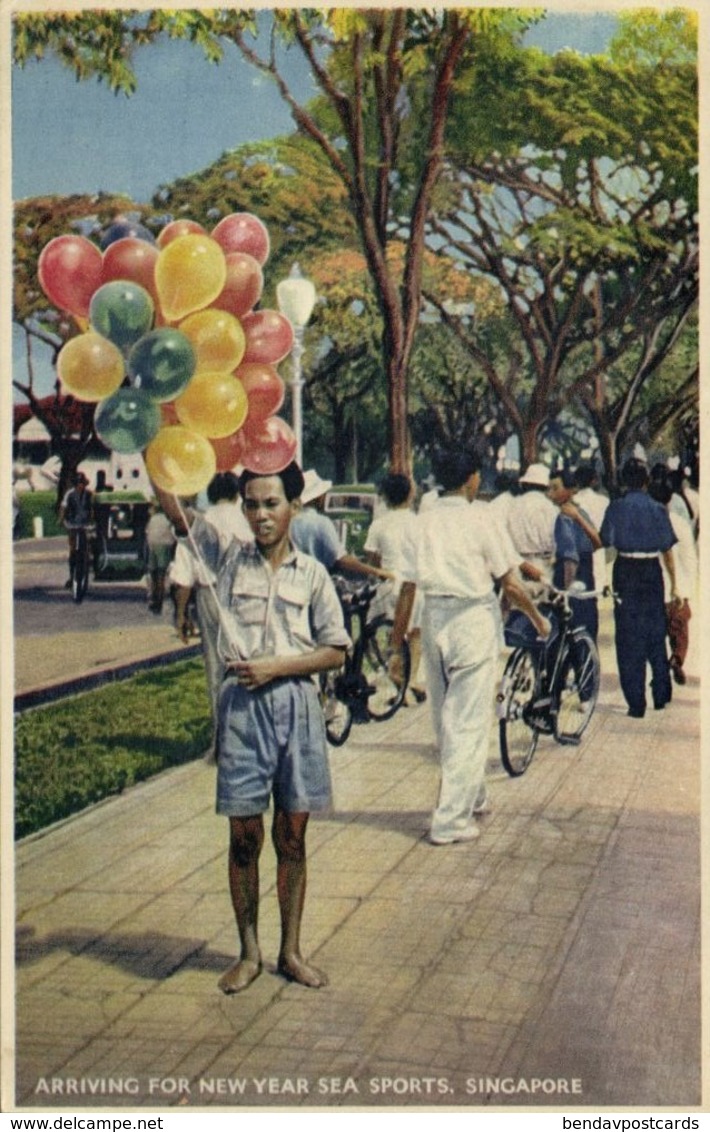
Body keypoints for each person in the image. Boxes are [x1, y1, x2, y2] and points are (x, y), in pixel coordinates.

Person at [156, 462, 350, 994]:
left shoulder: (312, 574)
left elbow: (335, 649)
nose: (261, 515)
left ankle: (290, 951)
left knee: (292, 835)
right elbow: (177, 513)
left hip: (296, 708)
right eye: (252, 504)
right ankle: (249, 953)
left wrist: (276, 667)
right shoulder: (224, 558)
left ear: (293, 506)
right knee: (244, 836)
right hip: (242, 709)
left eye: (272, 504)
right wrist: (150, 440)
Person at [394, 449, 551, 846]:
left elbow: (408, 588)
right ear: (471, 479)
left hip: (433, 619)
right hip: (471, 620)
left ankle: (472, 792)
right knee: (466, 721)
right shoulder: (481, 518)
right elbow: (510, 584)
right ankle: (450, 820)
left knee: (445, 717)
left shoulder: (422, 521)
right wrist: (538, 619)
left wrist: (397, 642)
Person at [170, 472, 254, 756]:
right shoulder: (246, 521)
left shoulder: (201, 523)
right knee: (247, 661)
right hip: (243, 593)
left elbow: (183, 576)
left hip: (208, 594)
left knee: (215, 668)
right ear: (237, 494)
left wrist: (181, 614)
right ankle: (247, 734)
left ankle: (221, 740)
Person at [600, 458, 678, 718]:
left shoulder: (616, 508)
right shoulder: (658, 509)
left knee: (628, 636)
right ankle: (660, 693)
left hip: (625, 570)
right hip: (651, 571)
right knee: (656, 631)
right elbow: (667, 550)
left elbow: (606, 541)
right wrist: (675, 584)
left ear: (624, 480)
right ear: (646, 481)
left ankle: (636, 702)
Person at [364, 472, 426, 703]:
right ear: (410, 495)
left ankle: (399, 681)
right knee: (415, 634)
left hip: (389, 585)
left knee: (381, 633)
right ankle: (408, 683)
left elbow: (371, 558)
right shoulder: (419, 523)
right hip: (416, 587)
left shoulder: (379, 525)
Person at [290, 469, 393, 582]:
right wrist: (375, 571)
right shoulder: (321, 523)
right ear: (318, 498)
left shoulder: (288, 521)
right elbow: (340, 559)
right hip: (314, 583)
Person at [648, 478, 697, 686]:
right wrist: (686, 589)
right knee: (680, 633)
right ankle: (676, 659)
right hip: (676, 592)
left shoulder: (647, 523)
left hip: (655, 590)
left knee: (656, 636)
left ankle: (660, 672)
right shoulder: (680, 523)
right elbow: (689, 558)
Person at [547, 469, 602, 642]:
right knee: (585, 631)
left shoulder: (564, 516)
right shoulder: (579, 512)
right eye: (549, 489)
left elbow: (570, 557)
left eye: (555, 488)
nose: (550, 494)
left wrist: (565, 589)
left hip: (569, 574)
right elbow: (597, 543)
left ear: (570, 490)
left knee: (564, 632)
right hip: (586, 575)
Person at [505, 462, 557, 595]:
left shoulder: (512, 506)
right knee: (544, 611)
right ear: (546, 486)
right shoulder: (551, 508)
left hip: (518, 565)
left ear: (525, 484)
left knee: (520, 608)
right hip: (544, 565)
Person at [574, 464, 609, 592]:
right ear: (593, 480)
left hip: (578, 553)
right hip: (598, 550)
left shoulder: (571, 501)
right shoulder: (603, 501)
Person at [59, 471, 94, 589]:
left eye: (82, 483)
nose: (80, 485)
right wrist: (61, 520)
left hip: (85, 524)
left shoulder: (89, 494)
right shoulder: (69, 494)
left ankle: (86, 565)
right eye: (78, 483)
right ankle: (71, 575)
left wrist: (93, 521)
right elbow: (64, 507)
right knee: (73, 550)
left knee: (87, 547)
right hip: (73, 524)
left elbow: (92, 509)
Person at [145, 503, 176, 613]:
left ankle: (154, 599)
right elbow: (173, 535)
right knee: (161, 576)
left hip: (152, 546)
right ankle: (159, 600)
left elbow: (148, 532)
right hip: (164, 546)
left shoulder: (153, 519)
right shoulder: (168, 519)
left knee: (154, 575)